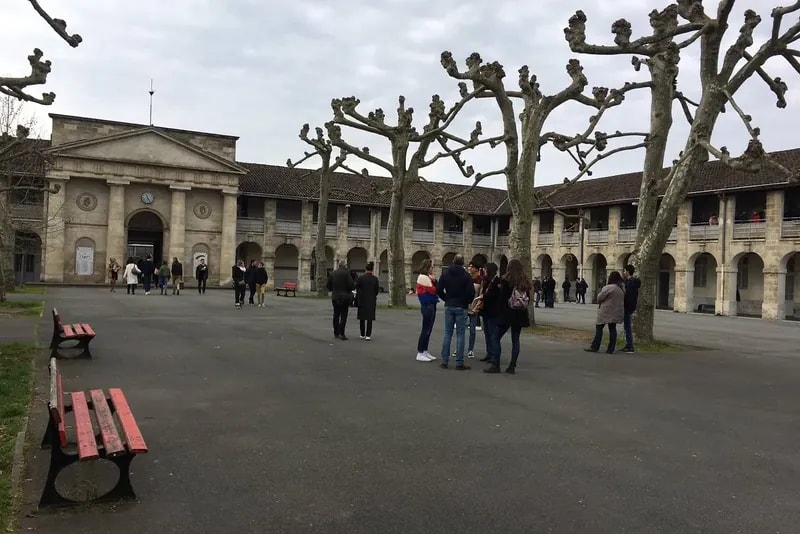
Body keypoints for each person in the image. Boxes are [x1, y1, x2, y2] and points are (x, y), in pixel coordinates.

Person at [485, 258, 531, 374]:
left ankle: (496, 364)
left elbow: (501, 299)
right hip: (520, 313)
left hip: (506, 313)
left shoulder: (506, 280)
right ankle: (512, 366)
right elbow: (528, 298)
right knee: (515, 340)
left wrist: (498, 312)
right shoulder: (524, 281)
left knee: (495, 337)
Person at [437, 254, 475, 370]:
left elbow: (438, 289)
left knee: (447, 333)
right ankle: (459, 362)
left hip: (449, 304)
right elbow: (471, 292)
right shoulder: (466, 276)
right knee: (460, 334)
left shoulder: (446, 273)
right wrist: (467, 302)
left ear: (453, 262)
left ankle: (444, 360)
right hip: (461, 306)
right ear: (463, 263)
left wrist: (446, 298)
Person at [585, 271, 625, 354]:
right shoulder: (621, 288)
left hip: (606, 310)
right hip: (616, 311)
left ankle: (595, 346)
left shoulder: (608, 287)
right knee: (612, 329)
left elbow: (600, 297)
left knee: (599, 327)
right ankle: (611, 348)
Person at [415, 259, 439, 362]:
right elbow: (433, 290)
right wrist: (434, 282)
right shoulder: (423, 277)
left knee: (428, 328)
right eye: (431, 267)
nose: (432, 268)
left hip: (430, 304)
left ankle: (425, 350)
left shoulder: (427, 277)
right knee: (426, 328)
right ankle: (420, 352)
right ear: (427, 267)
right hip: (427, 305)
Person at [478, 262, 499, 364]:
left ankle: (494, 354)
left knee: (492, 333)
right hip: (485, 310)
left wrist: (485, 296)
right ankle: (489, 352)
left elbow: (495, 296)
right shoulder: (486, 281)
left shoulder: (497, 281)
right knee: (487, 333)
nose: (484, 271)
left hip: (493, 311)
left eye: (486, 270)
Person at [327, 261, 355, 340]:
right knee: (343, 315)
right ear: (345, 266)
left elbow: (328, 285)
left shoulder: (332, 273)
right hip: (345, 297)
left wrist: (333, 290)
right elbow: (351, 285)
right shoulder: (346, 273)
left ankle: (336, 333)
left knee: (336, 315)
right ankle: (341, 333)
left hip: (335, 296)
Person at [355, 262, 380, 340]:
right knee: (370, 318)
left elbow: (357, 288)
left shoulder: (361, 278)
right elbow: (376, 290)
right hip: (371, 299)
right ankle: (368, 335)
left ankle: (362, 334)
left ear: (365, 270)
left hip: (362, 299)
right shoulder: (375, 279)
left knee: (362, 318)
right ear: (372, 270)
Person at [621, 264, 641, 353]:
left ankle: (630, 345)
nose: (624, 273)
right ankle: (628, 344)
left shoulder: (630, 283)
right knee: (626, 326)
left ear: (628, 272)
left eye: (625, 271)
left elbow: (628, 296)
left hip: (628, 306)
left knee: (627, 326)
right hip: (630, 306)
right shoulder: (631, 282)